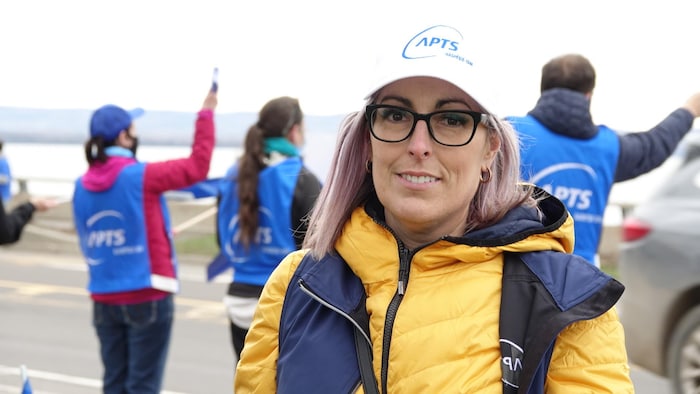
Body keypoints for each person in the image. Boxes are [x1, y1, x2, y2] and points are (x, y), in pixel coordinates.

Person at [234, 23, 634, 393]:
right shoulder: (297, 284)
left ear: (489, 148)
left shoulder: (567, 302)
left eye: (452, 120)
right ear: (368, 140)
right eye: (395, 115)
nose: (419, 144)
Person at [72, 88, 217, 394]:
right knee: (143, 386)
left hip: (104, 296)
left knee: (114, 383)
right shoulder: (142, 175)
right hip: (147, 292)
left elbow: (92, 238)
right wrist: (206, 115)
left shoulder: (81, 186)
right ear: (124, 137)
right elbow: (197, 166)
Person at [507, 54, 700, 266]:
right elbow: (654, 145)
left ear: (542, 90)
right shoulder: (610, 148)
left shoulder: (509, 135)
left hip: (514, 270)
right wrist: (690, 109)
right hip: (580, 281)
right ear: (588, 95)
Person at [213, 96, 322, 361]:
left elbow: (222, 240)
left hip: (239, 301)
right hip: (283, 305)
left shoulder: (233, 174)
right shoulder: (301, 179)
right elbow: (318, 254)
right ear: (294, 131)